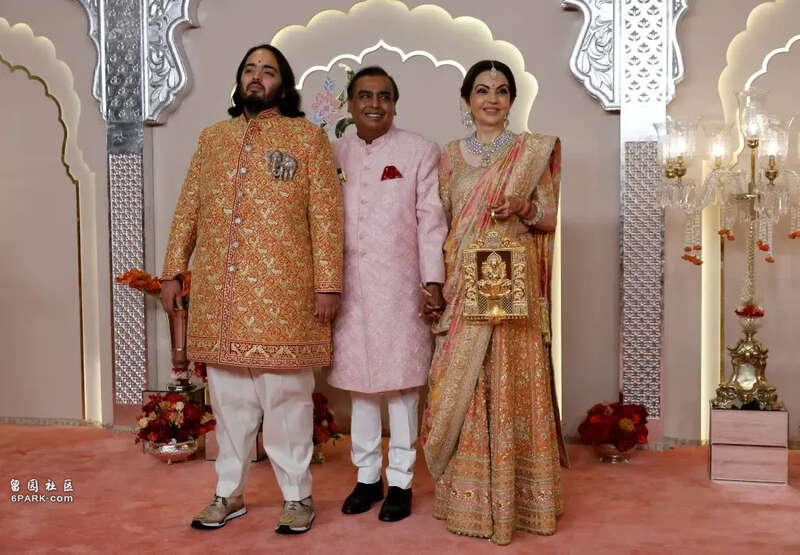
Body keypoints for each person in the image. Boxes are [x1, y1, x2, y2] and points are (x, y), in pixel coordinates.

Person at [160, 44, 343, 535]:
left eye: (268, 70)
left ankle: (297, 496)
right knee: (228, 403)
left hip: (285, 294)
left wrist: (328, 284)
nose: (257, 77)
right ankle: (229, 492)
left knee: (286, 401)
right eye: (249, 69)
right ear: (239, 80)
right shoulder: (213, 139)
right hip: (221, 294)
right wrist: (172, 271)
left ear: (284, 84)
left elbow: (327, 218)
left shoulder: (306, 138)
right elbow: (189, 208)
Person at [420, 60, 568, 545]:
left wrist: (525, 207)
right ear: (467, 99)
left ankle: (518, 498)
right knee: (462, 381)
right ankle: (467, 497)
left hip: (509, 278)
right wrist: (435, 282)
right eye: (482, 90)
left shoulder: (530, 152)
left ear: (512, 100)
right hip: (465, 280)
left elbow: (549, 219)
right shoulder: (449, 156)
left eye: (502, 91)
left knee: (508, 379)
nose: (492, 99)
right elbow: (437, 223)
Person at [327, 66, 447, 522]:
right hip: (349, 289)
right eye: (364, 96)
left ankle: (400, 482)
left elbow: (431, 219)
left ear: (395, 104)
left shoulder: (419, 150)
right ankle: (366, 478)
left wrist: (432, 282)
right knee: (360, 388)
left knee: (401, 387)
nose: (374, 104)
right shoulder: (334, 153)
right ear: (351, 103)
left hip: (401, 286)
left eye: (383, 96)